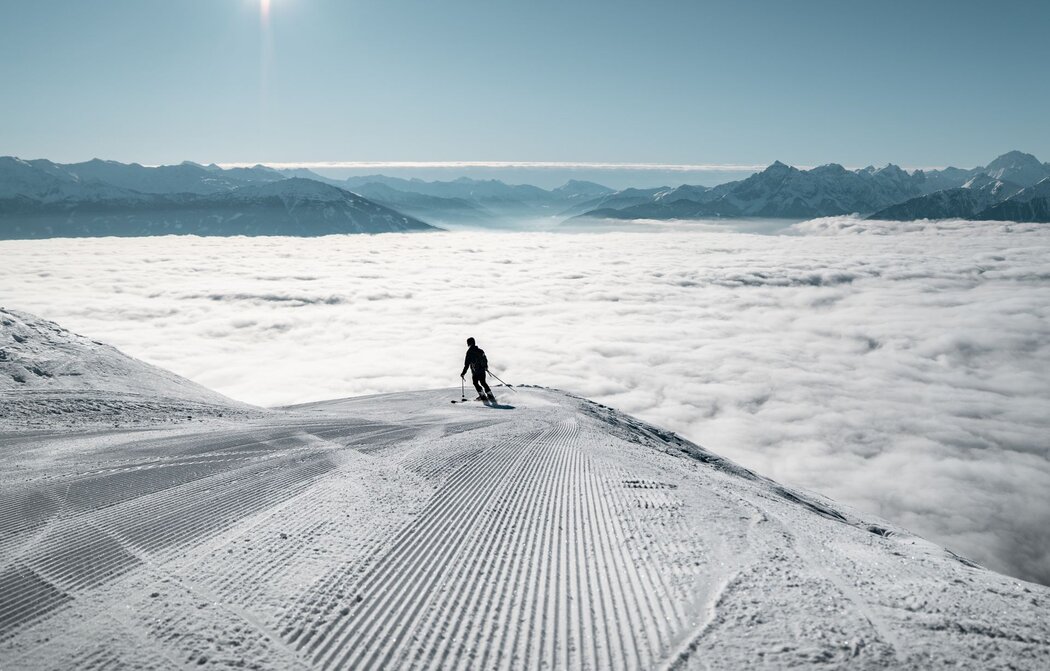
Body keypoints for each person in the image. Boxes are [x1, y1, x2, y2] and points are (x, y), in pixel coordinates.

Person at [460, 337, 495, 402]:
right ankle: (490, 395)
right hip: (482, 370)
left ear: (468, 343)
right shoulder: (480, 351)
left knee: (475, 383)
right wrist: (486, 367)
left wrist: (463, 373)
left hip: (475, 371)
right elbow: (485, 360)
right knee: (483, 382)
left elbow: (466, 364)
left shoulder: (469, 352)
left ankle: (482, 396)